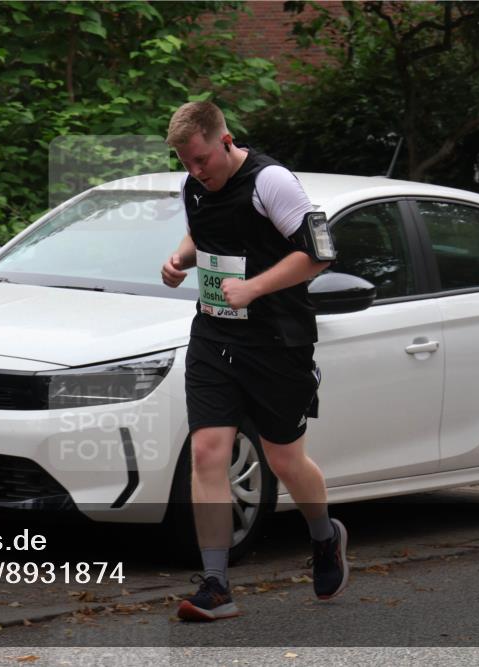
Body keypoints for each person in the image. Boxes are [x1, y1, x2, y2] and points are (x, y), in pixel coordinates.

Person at [161, 101, 349, 621]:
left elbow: (320, 253)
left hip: (277, 341)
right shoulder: (196, 185)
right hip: (214, 336)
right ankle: (216, 584)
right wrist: (179, 258)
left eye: (201, 159)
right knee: (208, 454)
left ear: (225, 141)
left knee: (284, 459)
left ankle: (324, 536)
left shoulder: (273, 182)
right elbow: (205, 232)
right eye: (185, 163)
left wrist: (256, 289)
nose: (195, 171)